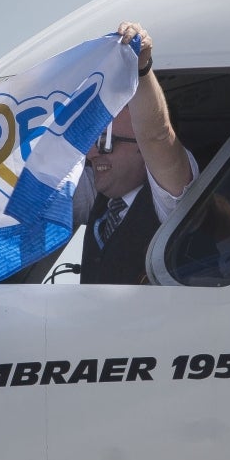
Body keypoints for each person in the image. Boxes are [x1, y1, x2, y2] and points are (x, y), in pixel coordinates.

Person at [72, 22, 198, 284]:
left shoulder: (167, 201)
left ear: (144, 149)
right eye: (92, 141)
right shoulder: (102, 195)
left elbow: (157, 136)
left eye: (106, 142)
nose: (92, 154)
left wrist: (141, 67)